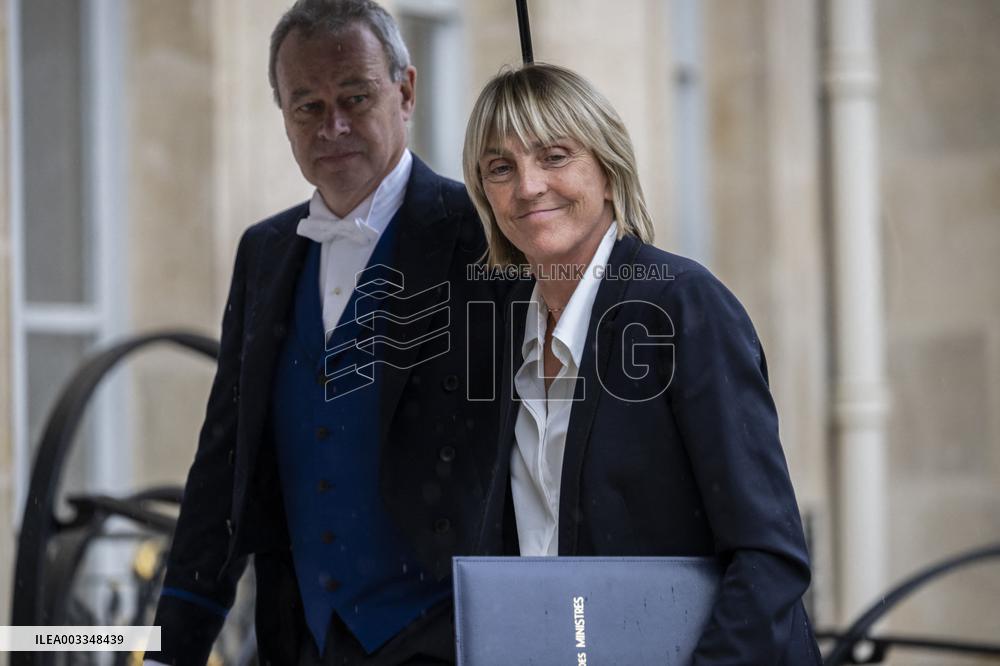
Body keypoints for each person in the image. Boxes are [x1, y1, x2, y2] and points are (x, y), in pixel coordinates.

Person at [146, 1, 502, 664]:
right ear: (282, 115)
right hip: (298, 637)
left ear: (406, 92)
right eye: (306, 105)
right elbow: (224, 468)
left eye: (355, 96)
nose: (332, 126)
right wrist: (173, 646)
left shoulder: (486, 237)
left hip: (452, 637)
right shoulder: (264, 253)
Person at [462, 63, 823, 664]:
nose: (527, 186)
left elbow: (769, 555)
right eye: (501, 167)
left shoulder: (681, 306)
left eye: (554, 155)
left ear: (608, 172)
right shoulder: (502, 331)